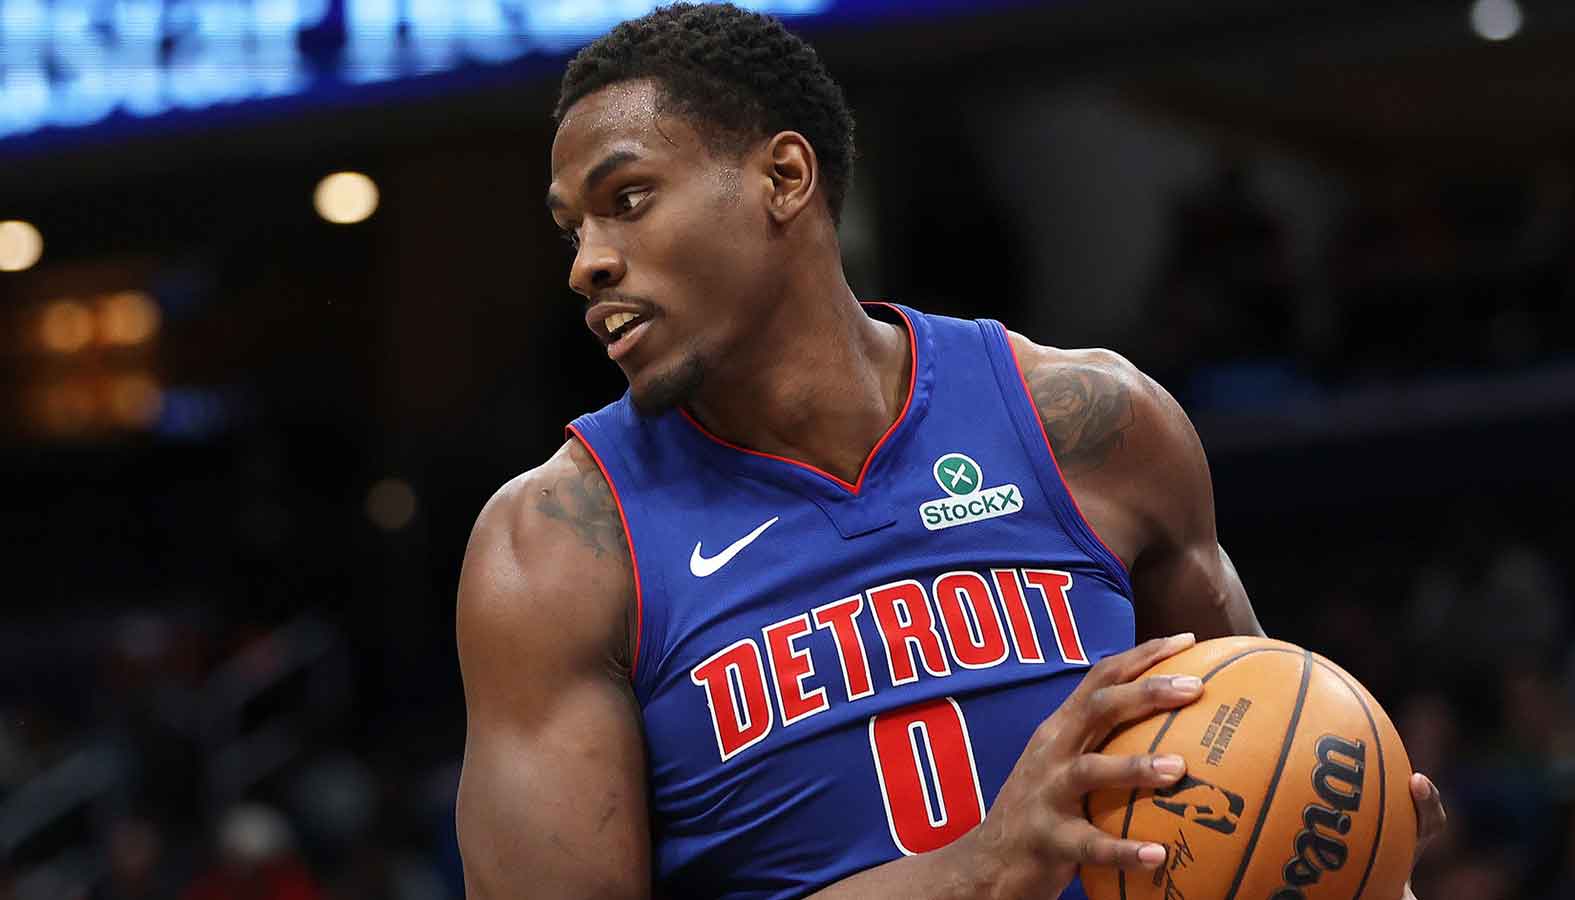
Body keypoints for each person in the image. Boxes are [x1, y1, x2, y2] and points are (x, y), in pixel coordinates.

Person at [453, 4, 1446, 898]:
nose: (588, 263)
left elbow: (1253, 745)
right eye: (572, 228)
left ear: (783, 177)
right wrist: (978, 868)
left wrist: (1347, 856)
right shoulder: (552, 550)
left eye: (625, 199)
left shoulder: (1094, 425)